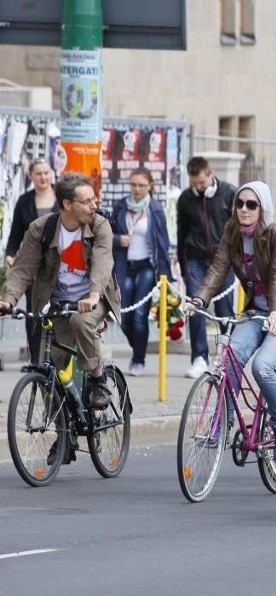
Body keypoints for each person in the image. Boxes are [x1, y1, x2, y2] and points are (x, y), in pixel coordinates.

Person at [0, 172, 121, 464]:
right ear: (67, 204)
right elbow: (23, 269)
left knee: (82, 322)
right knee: (45, 368)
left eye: (94, 199)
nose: (94, 204)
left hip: (93, 299)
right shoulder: (41, 229)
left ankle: (98, 379)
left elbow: (103, 263)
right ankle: (64, 435)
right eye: (87, 201)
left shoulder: (100, 225)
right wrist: (8, 299)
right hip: (53, 304)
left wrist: (92, 295)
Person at [186, 181, 276, 462]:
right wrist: (199, 300)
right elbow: (218, 268)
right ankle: (221, 422)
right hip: (256, 312)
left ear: (263, 207)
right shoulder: (233, 233)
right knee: (230, 358)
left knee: (263, 366)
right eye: (239, 204)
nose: (244, 209)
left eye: (251, 204)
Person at [177, 156, 237, 378]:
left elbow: (238, 230)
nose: (199, 188)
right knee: (195, 307)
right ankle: (199, 357)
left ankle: (228, 355)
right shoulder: (185, 199)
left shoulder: (229, 194)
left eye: (201, 183)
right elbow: (181, 233)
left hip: (224, 261)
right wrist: (184, 268)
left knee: (224, 310)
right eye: (194, 184)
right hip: (195, 259)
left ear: (210, 174)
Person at [110, 167, 173, 376]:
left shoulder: (155, 209)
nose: (136, 189)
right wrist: (119, 239)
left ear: (150, 187)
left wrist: (166, 276)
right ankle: (138, 347)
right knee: (123, 314)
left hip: (146, 266)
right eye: (133, 185)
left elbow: (162, 243)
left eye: (141, 185)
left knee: (139, 315)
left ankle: (139, 359)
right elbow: (106, 235)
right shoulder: (120, 207)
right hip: (124, 266)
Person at [5, 157, 60, 365]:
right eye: (39, 173)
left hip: (59, 265)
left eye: (46, 173)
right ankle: (36, 361)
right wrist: (11, 254)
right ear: (31, 176)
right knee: (34, 313)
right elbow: (15, 234)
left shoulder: (61, 197)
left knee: (57, 313)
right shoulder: (24, 201)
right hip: (34, 267)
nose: (43, 177)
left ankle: (55, 360)